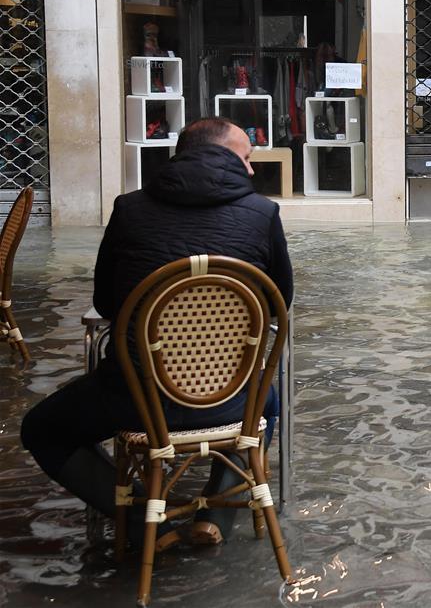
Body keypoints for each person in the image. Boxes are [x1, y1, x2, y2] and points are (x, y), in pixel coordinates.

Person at [21, 117, 293, 550]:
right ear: (226, 157)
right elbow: (280, 299)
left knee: (41, 429)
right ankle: (216, 513)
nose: (252, 170)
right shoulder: (263, 214)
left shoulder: (129, 209)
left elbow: (109, 304)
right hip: (230, 399)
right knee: (269, 399)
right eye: (246, 157)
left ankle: (148, 520)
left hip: (134, 399)